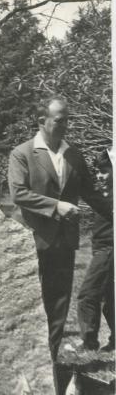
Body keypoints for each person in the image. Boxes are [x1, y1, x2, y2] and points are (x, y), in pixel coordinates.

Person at [8, 96, 111, 395]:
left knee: (57, 306)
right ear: (42, 121)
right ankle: (22, 362)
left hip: (64, 243)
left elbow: (92, 194)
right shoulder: (23, 153)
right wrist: (57, 206)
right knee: (29, 304)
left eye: (67, 119)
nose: (66, 124)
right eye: (60, 119)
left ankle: (49, 362)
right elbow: (19, 194)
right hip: (31, 240)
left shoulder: (74, 155)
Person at [77, 149, 114, 352]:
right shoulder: (106, 192)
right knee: (110, 299)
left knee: (88, 294)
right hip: (101, 248)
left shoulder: (112, 196)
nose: (100, 176)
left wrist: (81, 184)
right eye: (97, 172)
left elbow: (96, 201)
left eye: (104, 171)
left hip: (108, 250)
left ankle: (89, 342)